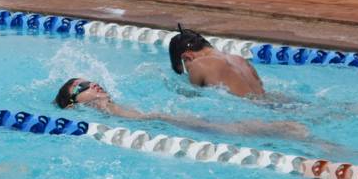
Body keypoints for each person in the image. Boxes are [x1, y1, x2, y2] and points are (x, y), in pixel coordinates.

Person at [54, 78, 314, 140]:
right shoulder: (99, 112)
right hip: (168, 123)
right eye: (83, 86)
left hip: (170, 121)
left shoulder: (109, 106)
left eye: (92, 80)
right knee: (237, 130)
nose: (93, 84)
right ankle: (284, 131)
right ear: (74, 103)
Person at [168, 25, 266, 98]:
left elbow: (191, 99)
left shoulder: (198, 64)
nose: (189, 71)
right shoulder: (239, 60)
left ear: (187, 57)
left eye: (186, 68)